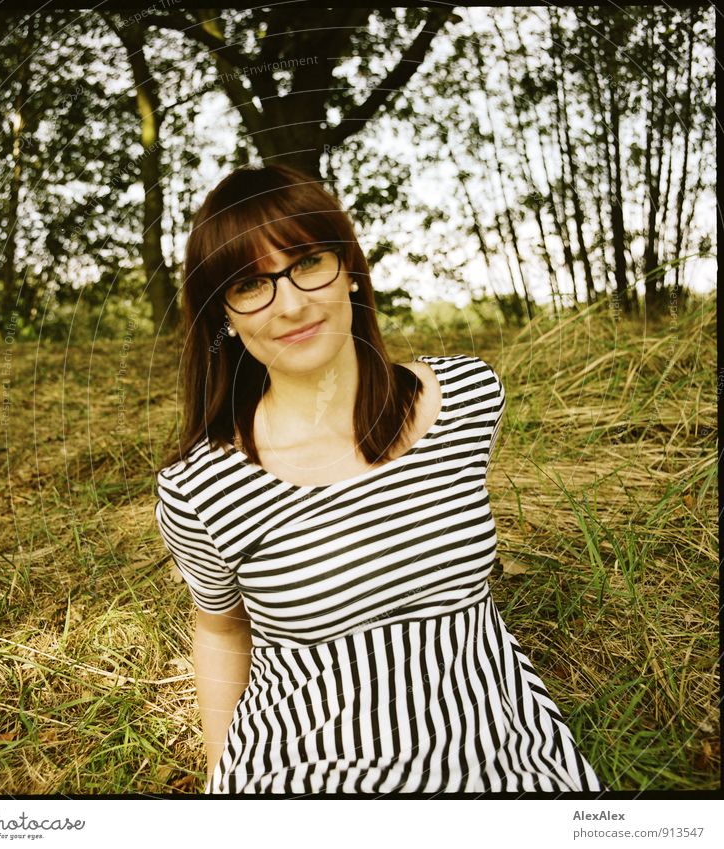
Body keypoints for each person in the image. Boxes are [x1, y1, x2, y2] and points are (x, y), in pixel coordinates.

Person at [154, 164, 602, 794]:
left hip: (501, 759)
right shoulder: (202, 487)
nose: (291, 303)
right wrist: (218, 787)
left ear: (350, 268)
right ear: (224, 313)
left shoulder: (467, 398)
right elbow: (220, 631)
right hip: (301, 774)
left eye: (307, 262)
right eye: (251, 283)